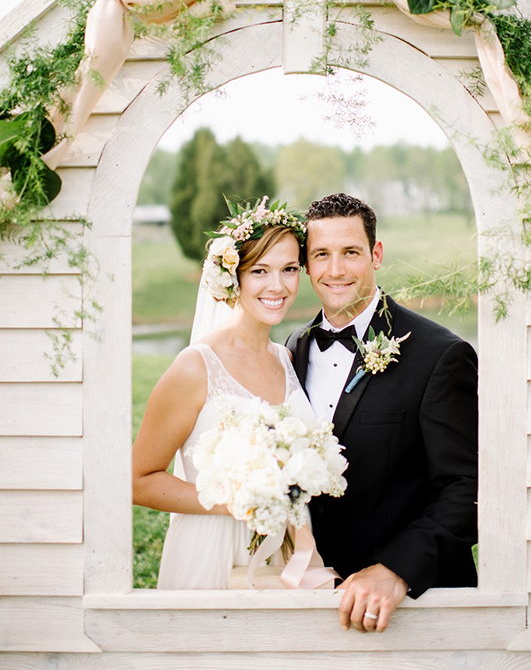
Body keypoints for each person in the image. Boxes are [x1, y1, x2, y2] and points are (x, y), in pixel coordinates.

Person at [287, 193, 478, 633]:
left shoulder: (441, 354)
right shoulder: (292, 350)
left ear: (375, 255)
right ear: (307, 265)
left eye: (350, 252)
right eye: (321, 255)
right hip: (313, 596)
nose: (335, 270)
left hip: (417, 607)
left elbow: (467, 489)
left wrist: (395, 570)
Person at [132, 197, 313, 589]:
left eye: (289, 269)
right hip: (209, 551)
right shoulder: (196, 366)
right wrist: (238, 500)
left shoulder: (285, 358)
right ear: (233, 276)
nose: (277, 286)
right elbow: (138, 480)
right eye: (260, 271)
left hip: (281, 555)